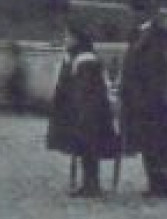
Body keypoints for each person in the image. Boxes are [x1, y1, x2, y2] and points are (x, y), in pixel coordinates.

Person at [120, 0, 167, 198]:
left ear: (143, 12)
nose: (132, 16)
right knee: (149, 144)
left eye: (135, 11)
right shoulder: (136, 35)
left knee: (166, 145)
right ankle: (158, 184)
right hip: (141, 100)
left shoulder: (162, 36)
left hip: (158, 100)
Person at [46, 26, 119, 197]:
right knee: (85, 148)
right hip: (84, 110)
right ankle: (89, 183)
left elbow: (85, 90)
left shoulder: (85, 60)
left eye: (68, 37)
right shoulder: (77, 57)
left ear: (77, 40)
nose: (66, 41)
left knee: (89, 148)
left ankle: (91, 184)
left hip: (90, 112)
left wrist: (79, 110)